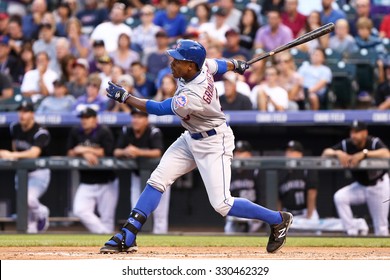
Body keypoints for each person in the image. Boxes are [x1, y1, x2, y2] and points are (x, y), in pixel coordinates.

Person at [100, 39, 293, 254]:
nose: (172, 63)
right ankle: (128, 233)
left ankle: (278, 220)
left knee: (222, 204)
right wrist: (235, 64)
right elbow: (218, 64)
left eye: (177, 60)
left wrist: (126, 97)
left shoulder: (193, 96)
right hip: (191, 137)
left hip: (214, 142)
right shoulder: (200, 67)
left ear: (191, 65)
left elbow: (158, 108)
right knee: (157, 180)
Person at [322, 120, 390, 236]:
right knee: (340, 197)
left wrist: (365, 153)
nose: (353, 135)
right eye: (352, 132)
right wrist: (337, 153)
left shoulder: (373, 142)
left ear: (364, 133)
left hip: (379, 186)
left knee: (381, 229)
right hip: (361, 186)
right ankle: (352, 231)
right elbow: (325, 153)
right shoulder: (347, 144)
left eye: (357, 132)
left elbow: (387, 154)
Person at [114, 109, 169, 234]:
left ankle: (162, 241)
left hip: (159, 177)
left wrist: (138, 151)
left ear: (146, 120)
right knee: (136, 209)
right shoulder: (126, 130)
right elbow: (116, 151)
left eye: (140, 117)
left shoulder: (153, 132)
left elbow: (157, 152)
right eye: (134, 117)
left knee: (160, 213)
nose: (136, 120)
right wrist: (125, 151)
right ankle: (135, 238)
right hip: (138, 176)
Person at [0, 101, 51, 233]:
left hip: (38, 172)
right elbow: (14, 144)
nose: (22, 114)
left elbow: (34, 153)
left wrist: (12, 155)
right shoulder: (15, 127)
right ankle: (31, 230)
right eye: (20, 111)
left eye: (26, 111)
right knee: (25, 206)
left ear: (32, 114)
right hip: (22, 171)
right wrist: (14, 155)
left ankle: (42, 212)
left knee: (29, 199)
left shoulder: (41, 132)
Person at [66, 107, 118, 234]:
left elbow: (106, 151)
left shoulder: (104, 131)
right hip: (87, 181)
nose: (84, 121)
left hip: (107, 181)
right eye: (82, 118)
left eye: (87, 118)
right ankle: (105, 234)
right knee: (79, 210)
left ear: (95, 119)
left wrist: (82, 150)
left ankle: (108, 242)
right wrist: (84, 153)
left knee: (107, 218)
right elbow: (70, 152)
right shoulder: (76, 131)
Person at [224, 140, 262, 234]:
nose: (238, 154)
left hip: (253, 211)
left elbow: (263, 194)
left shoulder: (256, 171)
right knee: (229, 231)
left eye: (242, 152)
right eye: (237, 152)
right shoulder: (229, 172)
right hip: (235, 212)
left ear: (249, 155)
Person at [278, 141, 319, 222]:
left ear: (300, 154)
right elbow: (278, 198)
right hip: (287, 213)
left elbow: (312, 192)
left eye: (292, 151)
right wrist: (279, 217)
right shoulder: (281, 171)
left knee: (315, 231)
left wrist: (309, 215)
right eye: (287, 151)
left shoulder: (307, 169)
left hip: (305, 211)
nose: (288, 154)